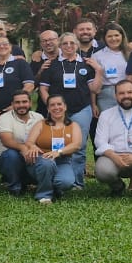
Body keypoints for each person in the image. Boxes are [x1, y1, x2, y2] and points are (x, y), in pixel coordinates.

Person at [36, 32, 100, 187]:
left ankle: (77, 182)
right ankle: (58, 176)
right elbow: (43, 89)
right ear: (60, 45)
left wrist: (99, 71)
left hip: (81, 109)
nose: (69, 46)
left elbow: (95, 89)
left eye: (72, 43)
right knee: (56, 143)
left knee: (79, 146)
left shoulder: (86, 64)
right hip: (57, 112)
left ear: (77, 45)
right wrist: (51, 106)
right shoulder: (52, 65)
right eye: (65, 43)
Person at [0, 36, 36, 160]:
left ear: (10, 47)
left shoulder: (20, 63)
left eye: (5, 44)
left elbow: (29, 85)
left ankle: (20, 165)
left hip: (16, 110)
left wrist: (16, 105)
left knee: (17, 139)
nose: (2, 46)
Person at [31, 94, 85, 204]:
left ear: (65, 107)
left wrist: (58, 152)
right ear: (48, 108)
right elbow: (29, 142)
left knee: (66, 182)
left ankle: (53, 187)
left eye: (59, 104)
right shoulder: (41, 124)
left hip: (62, 161)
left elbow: (76, 145)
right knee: (48, 163)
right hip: (43, 158)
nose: (56, 107)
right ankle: (44, 195)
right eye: (52, 105)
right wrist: (32, 146)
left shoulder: (74, 125)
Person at [0, 90, 44, 197]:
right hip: (7, 158)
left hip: (31, 155)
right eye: (17, 102)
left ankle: (33, 183)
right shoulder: (4, 118)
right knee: (11, 154)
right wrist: (23, 148)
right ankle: (15, 187)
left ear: (30, 103)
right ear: (12, 104)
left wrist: (31, 149)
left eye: (24, 102)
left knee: (41, 158)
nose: (21, 105)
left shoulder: (39, 117)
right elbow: (7, 141)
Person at [92, 23, 130, 115]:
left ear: (122, 36)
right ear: (104, 38)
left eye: (116, 35)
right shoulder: (97, 56)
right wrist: (93, 104)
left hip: (127, 93)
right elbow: (93, 81)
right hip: (106, 95)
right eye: (109, 36)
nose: (113, 39)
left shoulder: (130, 54)